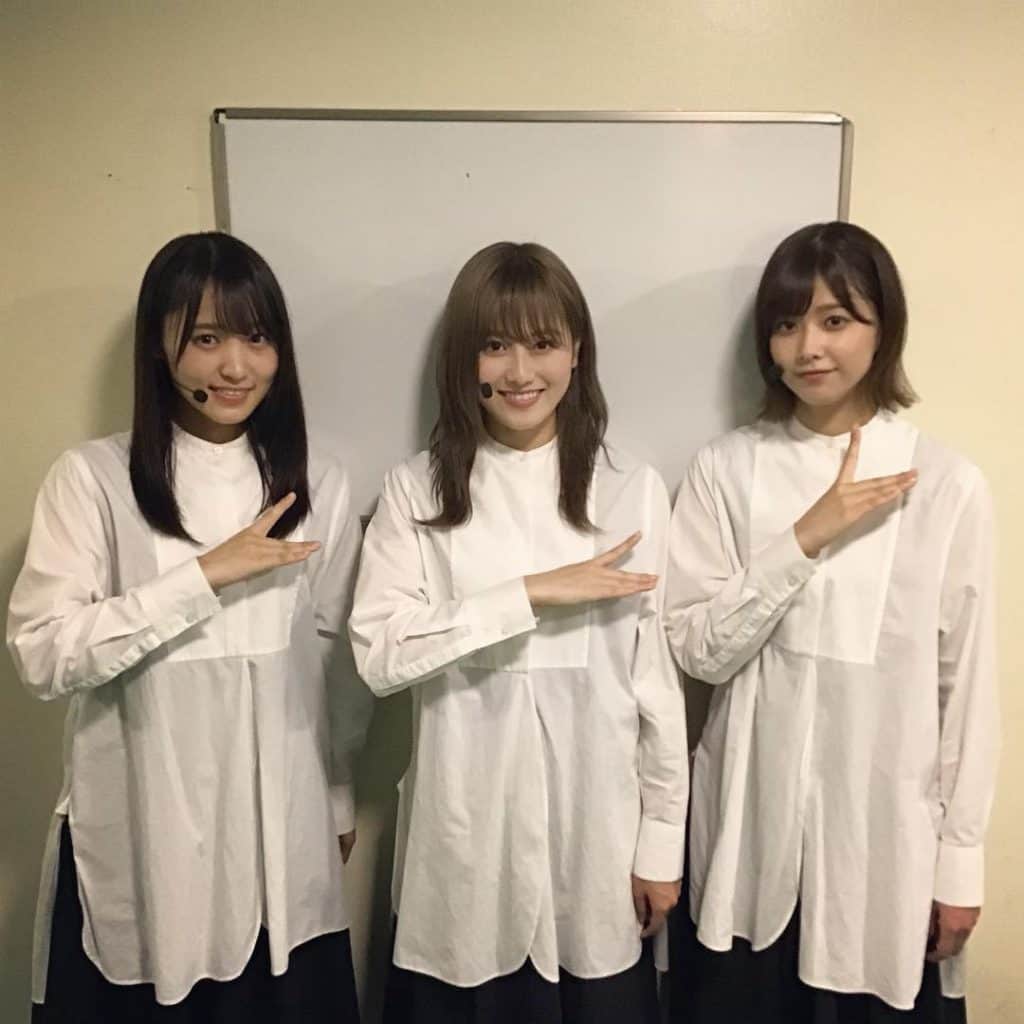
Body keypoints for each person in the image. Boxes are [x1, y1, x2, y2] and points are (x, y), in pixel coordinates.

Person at [7, 231, 372, 1022]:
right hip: (145, 827)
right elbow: (43, 654)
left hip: (281, 833)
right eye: (206, 339)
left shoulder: (319, 481)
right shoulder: (93, 479)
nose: (236, 366)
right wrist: (202, 577)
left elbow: (334, 657)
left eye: (256, 338)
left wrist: (338, 793)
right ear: (159, 344)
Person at [664, 221, 998, 1022]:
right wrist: (805, 537)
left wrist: (960, 863)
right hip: (747, 846)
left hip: (883, 854)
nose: (807, 348)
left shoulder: (946, 484)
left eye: (835, 320)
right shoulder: (725, 469)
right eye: (786, 324)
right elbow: (699, 651)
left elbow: (967, 689)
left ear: (884, 329)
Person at [349, 241, 688, 1024]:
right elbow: (380, 656)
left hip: (595, 843)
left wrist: (662, 841)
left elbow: (656, 684)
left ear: (577, 352)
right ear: (463, 359)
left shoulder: (630, 489)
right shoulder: (416, 490)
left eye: (542, 343)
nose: (519, 371)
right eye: (494, 345)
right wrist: (529, 594)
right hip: (463, 845)